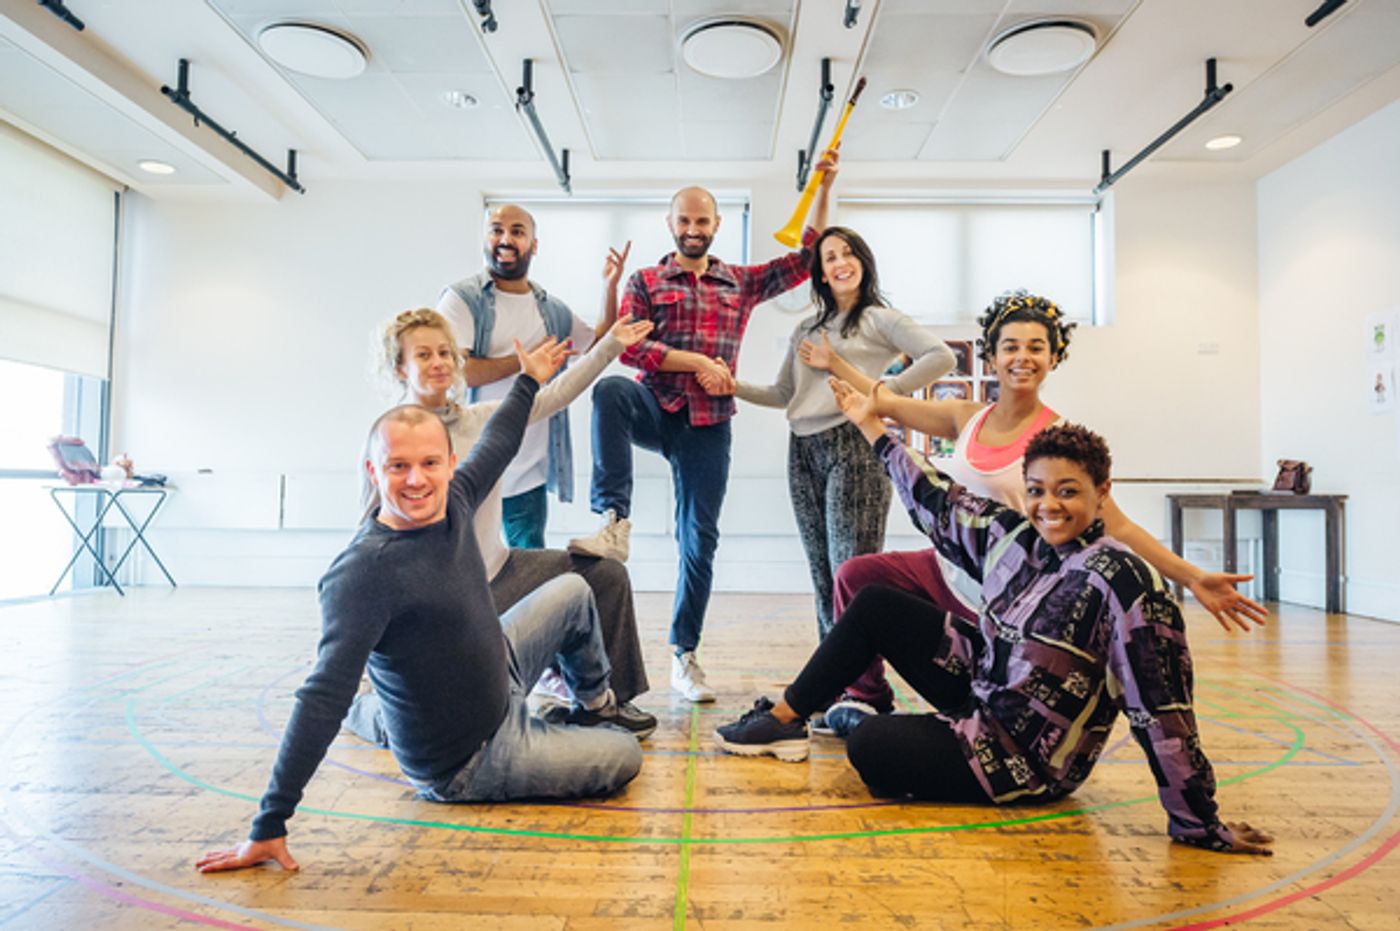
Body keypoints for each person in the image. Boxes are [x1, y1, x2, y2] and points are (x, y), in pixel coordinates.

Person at [714, 406, 1275, 858]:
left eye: (1067, 491)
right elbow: (934, 496)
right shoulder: (1017, 539)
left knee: (869, 746)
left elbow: (1162, 708)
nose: (1049, 505)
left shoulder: (1126, 583)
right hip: (984, 688)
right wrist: (870, 426)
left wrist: (1198, 819)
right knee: (876, 602)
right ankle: (782, 720)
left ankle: (875, 726)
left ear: (1101, 491)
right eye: (1036, 490)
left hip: (1025, 758)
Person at [196, 349, 646, 875]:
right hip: (470, 758)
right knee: (624, 754)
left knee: (572, 589)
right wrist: (269, 823)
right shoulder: (363, 573)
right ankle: (380, 715)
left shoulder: (455, 502)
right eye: (398, 466)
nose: (416, 480)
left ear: (450, 464)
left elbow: (500, 439)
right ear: (374, 471)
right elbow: (320, 698)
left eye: (429, 463)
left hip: (498, 670)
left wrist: (527, 379)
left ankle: (593, 704)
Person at [805, 290, 1267, 732]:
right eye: (1010, 346)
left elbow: (1119, 525)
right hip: (946, 569)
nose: (1022, 357)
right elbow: (882, 401)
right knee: (856, 575)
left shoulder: (1058, 440)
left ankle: (976, 703)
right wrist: (834, 363)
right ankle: (865, 697)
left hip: (1003, 591)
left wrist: (1192, 576)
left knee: (963, 678)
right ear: (991, 357)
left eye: (1035, 347)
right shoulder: (966, 417)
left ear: (1053, 357)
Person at [567, 150, 841, 703]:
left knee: (699, 539)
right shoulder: (646, 280)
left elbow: (808, 258)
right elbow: (630, 350)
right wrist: (695, 362)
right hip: (656, 406)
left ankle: (683, 654)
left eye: (702, 220)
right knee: (611, 391)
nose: (693, 229)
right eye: (684, 220)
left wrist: (823, 185)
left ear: (716, 225)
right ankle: (613, 519)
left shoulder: (740, 281)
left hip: (708, 425)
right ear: (670, 224)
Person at [347, 304, 655, 733]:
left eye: (445, 352)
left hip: (500, 572)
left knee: (605, 575)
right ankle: (370, 708)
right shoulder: (389, 437)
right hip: (443, 599)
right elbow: (366, 534)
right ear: (400, 368)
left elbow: (554, 396)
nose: (438, 362)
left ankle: (603, 704)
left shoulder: (482, 419)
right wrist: (363, 649)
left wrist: (608, 346)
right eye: (424, 355)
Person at [733, 226, 955, 639]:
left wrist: (880, 393)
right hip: (802, 449)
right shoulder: (806, 329)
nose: (840, 263)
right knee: (822, 574)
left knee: (850, 571)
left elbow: (940, 356)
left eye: (848, 253)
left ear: (864, 262)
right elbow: (784, 393)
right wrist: (733, 386)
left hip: (854, 444)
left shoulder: (879, 319)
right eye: (830, 257)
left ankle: (860, 672)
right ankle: (833, 667)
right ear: (820, 272)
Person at [437, 203, 628, 549]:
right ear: (484, 238)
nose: (505, 239)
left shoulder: (551, 310)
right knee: (465, 563)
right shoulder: (461, 299)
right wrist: (524, 364)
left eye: (517, 231)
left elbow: (597, 344)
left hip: (528, 473)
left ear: (534, 245)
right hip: (472, 466)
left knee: (528, 567)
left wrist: (609, 287)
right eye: (496, 230)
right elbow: (456, 372)